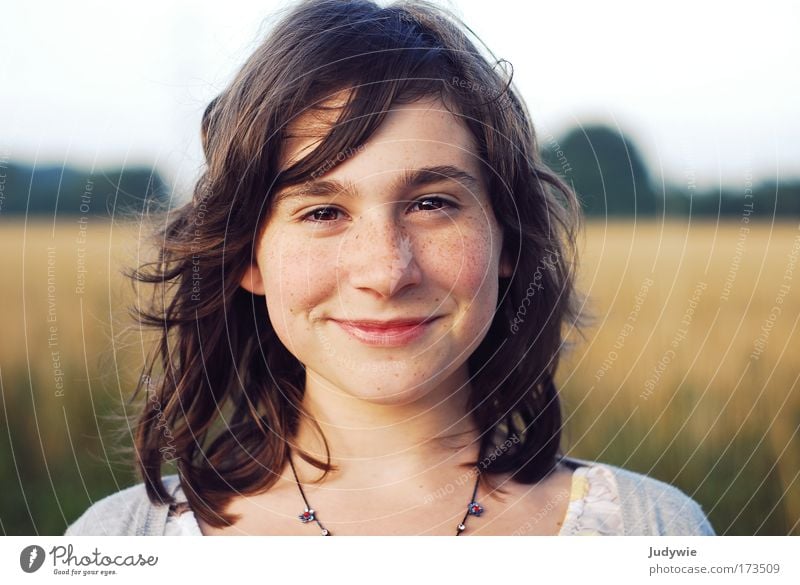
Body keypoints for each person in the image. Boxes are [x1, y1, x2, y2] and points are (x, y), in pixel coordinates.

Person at [65, 0, 713, 536]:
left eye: (433, 203)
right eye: (322, 211)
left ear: (507, 237)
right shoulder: (119, 542)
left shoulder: (651, 532)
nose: (386, 270)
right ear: (246, 255)